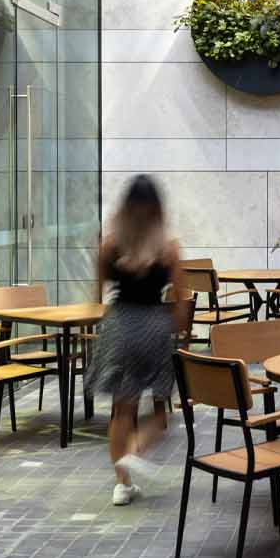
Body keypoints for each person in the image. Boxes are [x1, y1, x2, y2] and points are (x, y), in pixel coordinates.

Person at [88, 176, 189, 506]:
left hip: (119, 326)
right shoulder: (168, 248)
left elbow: (97, 295)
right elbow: (180, 300)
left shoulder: (110, 246)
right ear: (158, 209)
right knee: (161, 414)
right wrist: (178, 334)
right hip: (154, 327)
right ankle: (135, 449)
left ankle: (122, 484)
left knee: (121, 410)